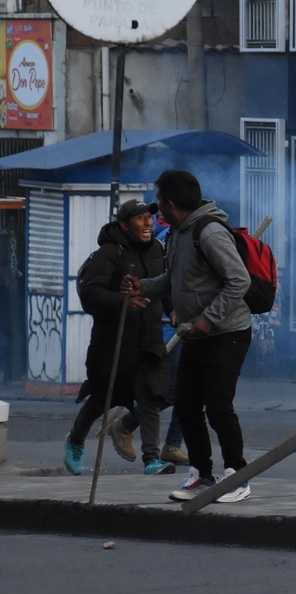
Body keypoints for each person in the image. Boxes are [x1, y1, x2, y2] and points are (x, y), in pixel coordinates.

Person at [121, 170, 252, 503]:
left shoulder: (208, 233)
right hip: (195, 333)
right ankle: (201, 473)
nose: (156, 211)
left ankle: (238, 474)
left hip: (227, 332)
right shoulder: (178, 234)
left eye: (159, 202)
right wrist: (145, 286)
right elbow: (174, 278)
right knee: (188, 403)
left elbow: (239, 281)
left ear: (170, 202)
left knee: (219, 404)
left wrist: (208, 321)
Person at [64, 200, 175, 476]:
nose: (148, 222)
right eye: (140, 218)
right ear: (125, 225)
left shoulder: (158, 250)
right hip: (113, 343)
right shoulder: (108, 254)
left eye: (149, 217)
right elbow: (90, 294)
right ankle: (75, 441)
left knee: (151, 397)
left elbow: (166, 285)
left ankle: (151, 458)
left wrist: (175, 310)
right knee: (102, 398)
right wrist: (122, 301)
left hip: (149, 339)